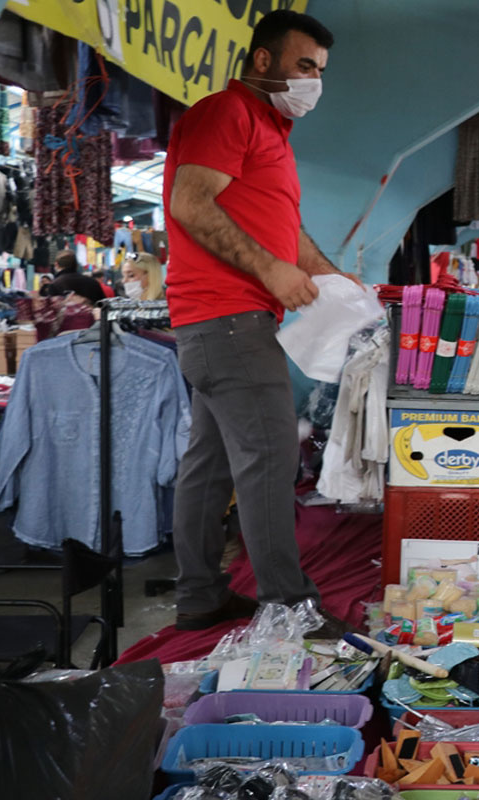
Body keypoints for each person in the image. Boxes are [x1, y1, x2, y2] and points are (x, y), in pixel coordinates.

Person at [164, 9, 354, 636]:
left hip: (223, 326)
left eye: (321, 71)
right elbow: (190, 201)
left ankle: (198, 595)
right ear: (264, 60)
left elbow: (284, 229)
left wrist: (331, 278)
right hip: (227, 320)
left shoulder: (272, 132)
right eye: (304, 65)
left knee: (210, 465)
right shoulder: (227, 112)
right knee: (270, 462)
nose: (314, 81)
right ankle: (289, 605)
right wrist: (271, 272)